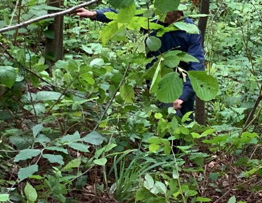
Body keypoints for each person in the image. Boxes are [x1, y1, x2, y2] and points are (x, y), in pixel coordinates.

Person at [75, 8, 204, 120]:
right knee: (167, 119)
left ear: (179, 13)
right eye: (162, 13)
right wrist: (95, 14)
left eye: (169, 15)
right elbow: (123, 15)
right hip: (158, 79)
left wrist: (183, 96)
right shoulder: (150, 21)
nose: (164, 17)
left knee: (185, 122)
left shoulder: (190, 31)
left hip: (182, 81)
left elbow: (196, 65)